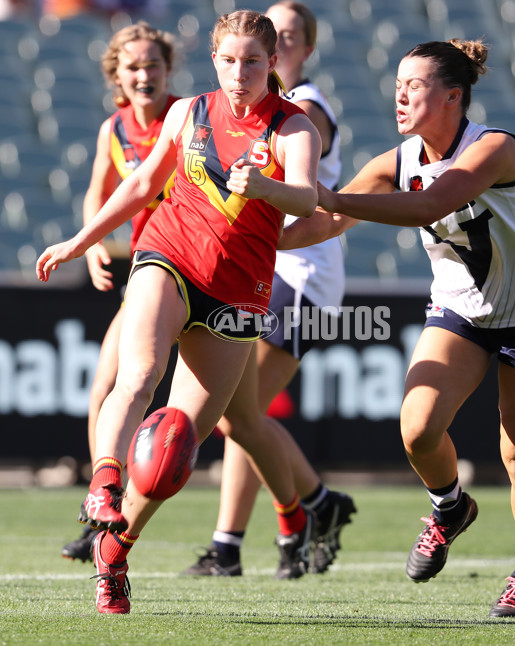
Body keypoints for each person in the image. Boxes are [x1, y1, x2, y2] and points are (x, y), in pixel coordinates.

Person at [280, 39, 515, 618]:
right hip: (463, 310)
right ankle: (450, 509)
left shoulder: (495, 148)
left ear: (453, 96)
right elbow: (326, 222)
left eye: (414, 84)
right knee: (417, 429)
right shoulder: (398, 159)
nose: (399, 93)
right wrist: (257, 237)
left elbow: (425, 206)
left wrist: (327, 194)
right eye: (398, 81)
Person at [37, 9, 322, 614]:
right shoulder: (187, 111)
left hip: (240, 292)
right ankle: (103, 484)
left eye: (252, 61)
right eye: (227, 60)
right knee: (136, 376)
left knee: (175, 449)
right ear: (213, 60)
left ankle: (113, 554)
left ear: (272, 63)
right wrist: (81, 240)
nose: (238, 72)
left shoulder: (294, 128)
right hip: (168, 255)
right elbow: (141, 186)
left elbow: (305, 195)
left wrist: (265, 187)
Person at [180, 0, 355, 581]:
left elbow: (304, 175)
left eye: (285, 36)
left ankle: (236, 541)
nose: (270, 47)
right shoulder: (243, 107)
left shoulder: (303, 110)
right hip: (263, 268)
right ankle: (313, 507)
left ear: (297, 51)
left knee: (239, 413)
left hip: (301, 272)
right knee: (238, 413)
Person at [60, 21, 180, 563]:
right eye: (133, 66)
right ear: (117, 75)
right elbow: (97, 193)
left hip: (193, 271)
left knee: (241, 420)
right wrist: (92, 248)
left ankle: (307, 506)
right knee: (106, 384)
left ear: (167, 70)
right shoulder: (115, 128)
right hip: (147, 273)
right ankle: (100, 506)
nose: (144, 74)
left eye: (153, 64)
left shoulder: (187, 118)